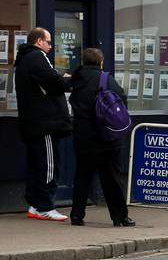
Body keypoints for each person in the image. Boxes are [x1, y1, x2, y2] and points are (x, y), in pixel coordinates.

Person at [68, 48, 134, 227]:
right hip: (105, 136)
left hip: (83, 136)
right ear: (100, 62)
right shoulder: (105, 79)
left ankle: (76, 215)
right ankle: (119, 217)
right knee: (112, 178)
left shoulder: (75, 79)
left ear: (83, 61)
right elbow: (121, 101)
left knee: (82, 176)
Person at [14, 27, 72, 222]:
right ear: (39, 41)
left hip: (32, 122)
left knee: (36, 165)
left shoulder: (24, 59)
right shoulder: (37, 57)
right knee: (48, 165)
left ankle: (35, 204)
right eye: (48, 42)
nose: (50, 46)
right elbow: (53, 81)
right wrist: (65, 80)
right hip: (44, 123)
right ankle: (45, 206)